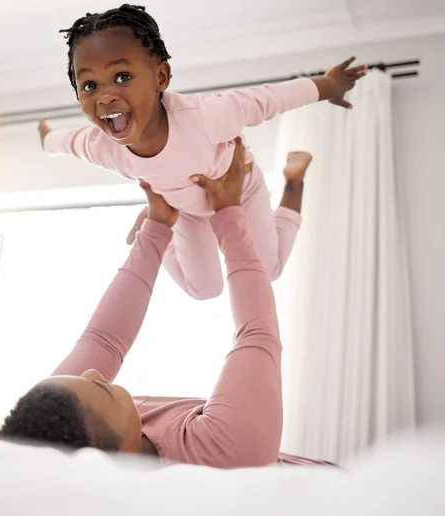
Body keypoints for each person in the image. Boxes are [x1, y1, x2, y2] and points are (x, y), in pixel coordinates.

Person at [0, 139, 331, 468]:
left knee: (239, 273)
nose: (92, 371)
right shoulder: (225, 454)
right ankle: (293, 184)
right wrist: (229, 213)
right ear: (109, 458)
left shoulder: (56, 417)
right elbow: (257, 333)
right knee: (263, 267)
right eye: (101, 386)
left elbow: (103, 339)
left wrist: (157, 227)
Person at [38, 3, 367, 300]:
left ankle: (294, 181)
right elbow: (68, 142)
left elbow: (267, 99)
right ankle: (151, 224)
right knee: (204, 290)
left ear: (161, 76)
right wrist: (46, 140)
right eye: (90, 85)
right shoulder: (104, 148)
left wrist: (329, 86)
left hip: (240, 188)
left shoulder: (205, 118)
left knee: (268, 271)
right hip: (186, 208)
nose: (106, 96)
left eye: (122, 77)